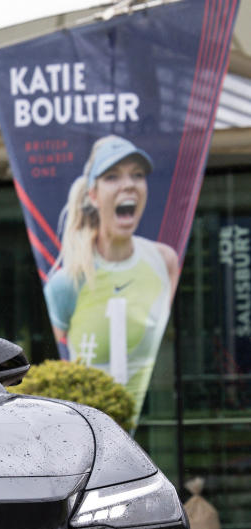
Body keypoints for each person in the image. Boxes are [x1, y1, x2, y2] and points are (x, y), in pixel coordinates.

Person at [43, 135, 181, 419]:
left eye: (137, 175)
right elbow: (62, 355)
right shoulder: (66, 283)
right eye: (112, 176)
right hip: (97, 434)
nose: (128, 184)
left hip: (157, 426)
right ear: (92, 195)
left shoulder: (165, 262)